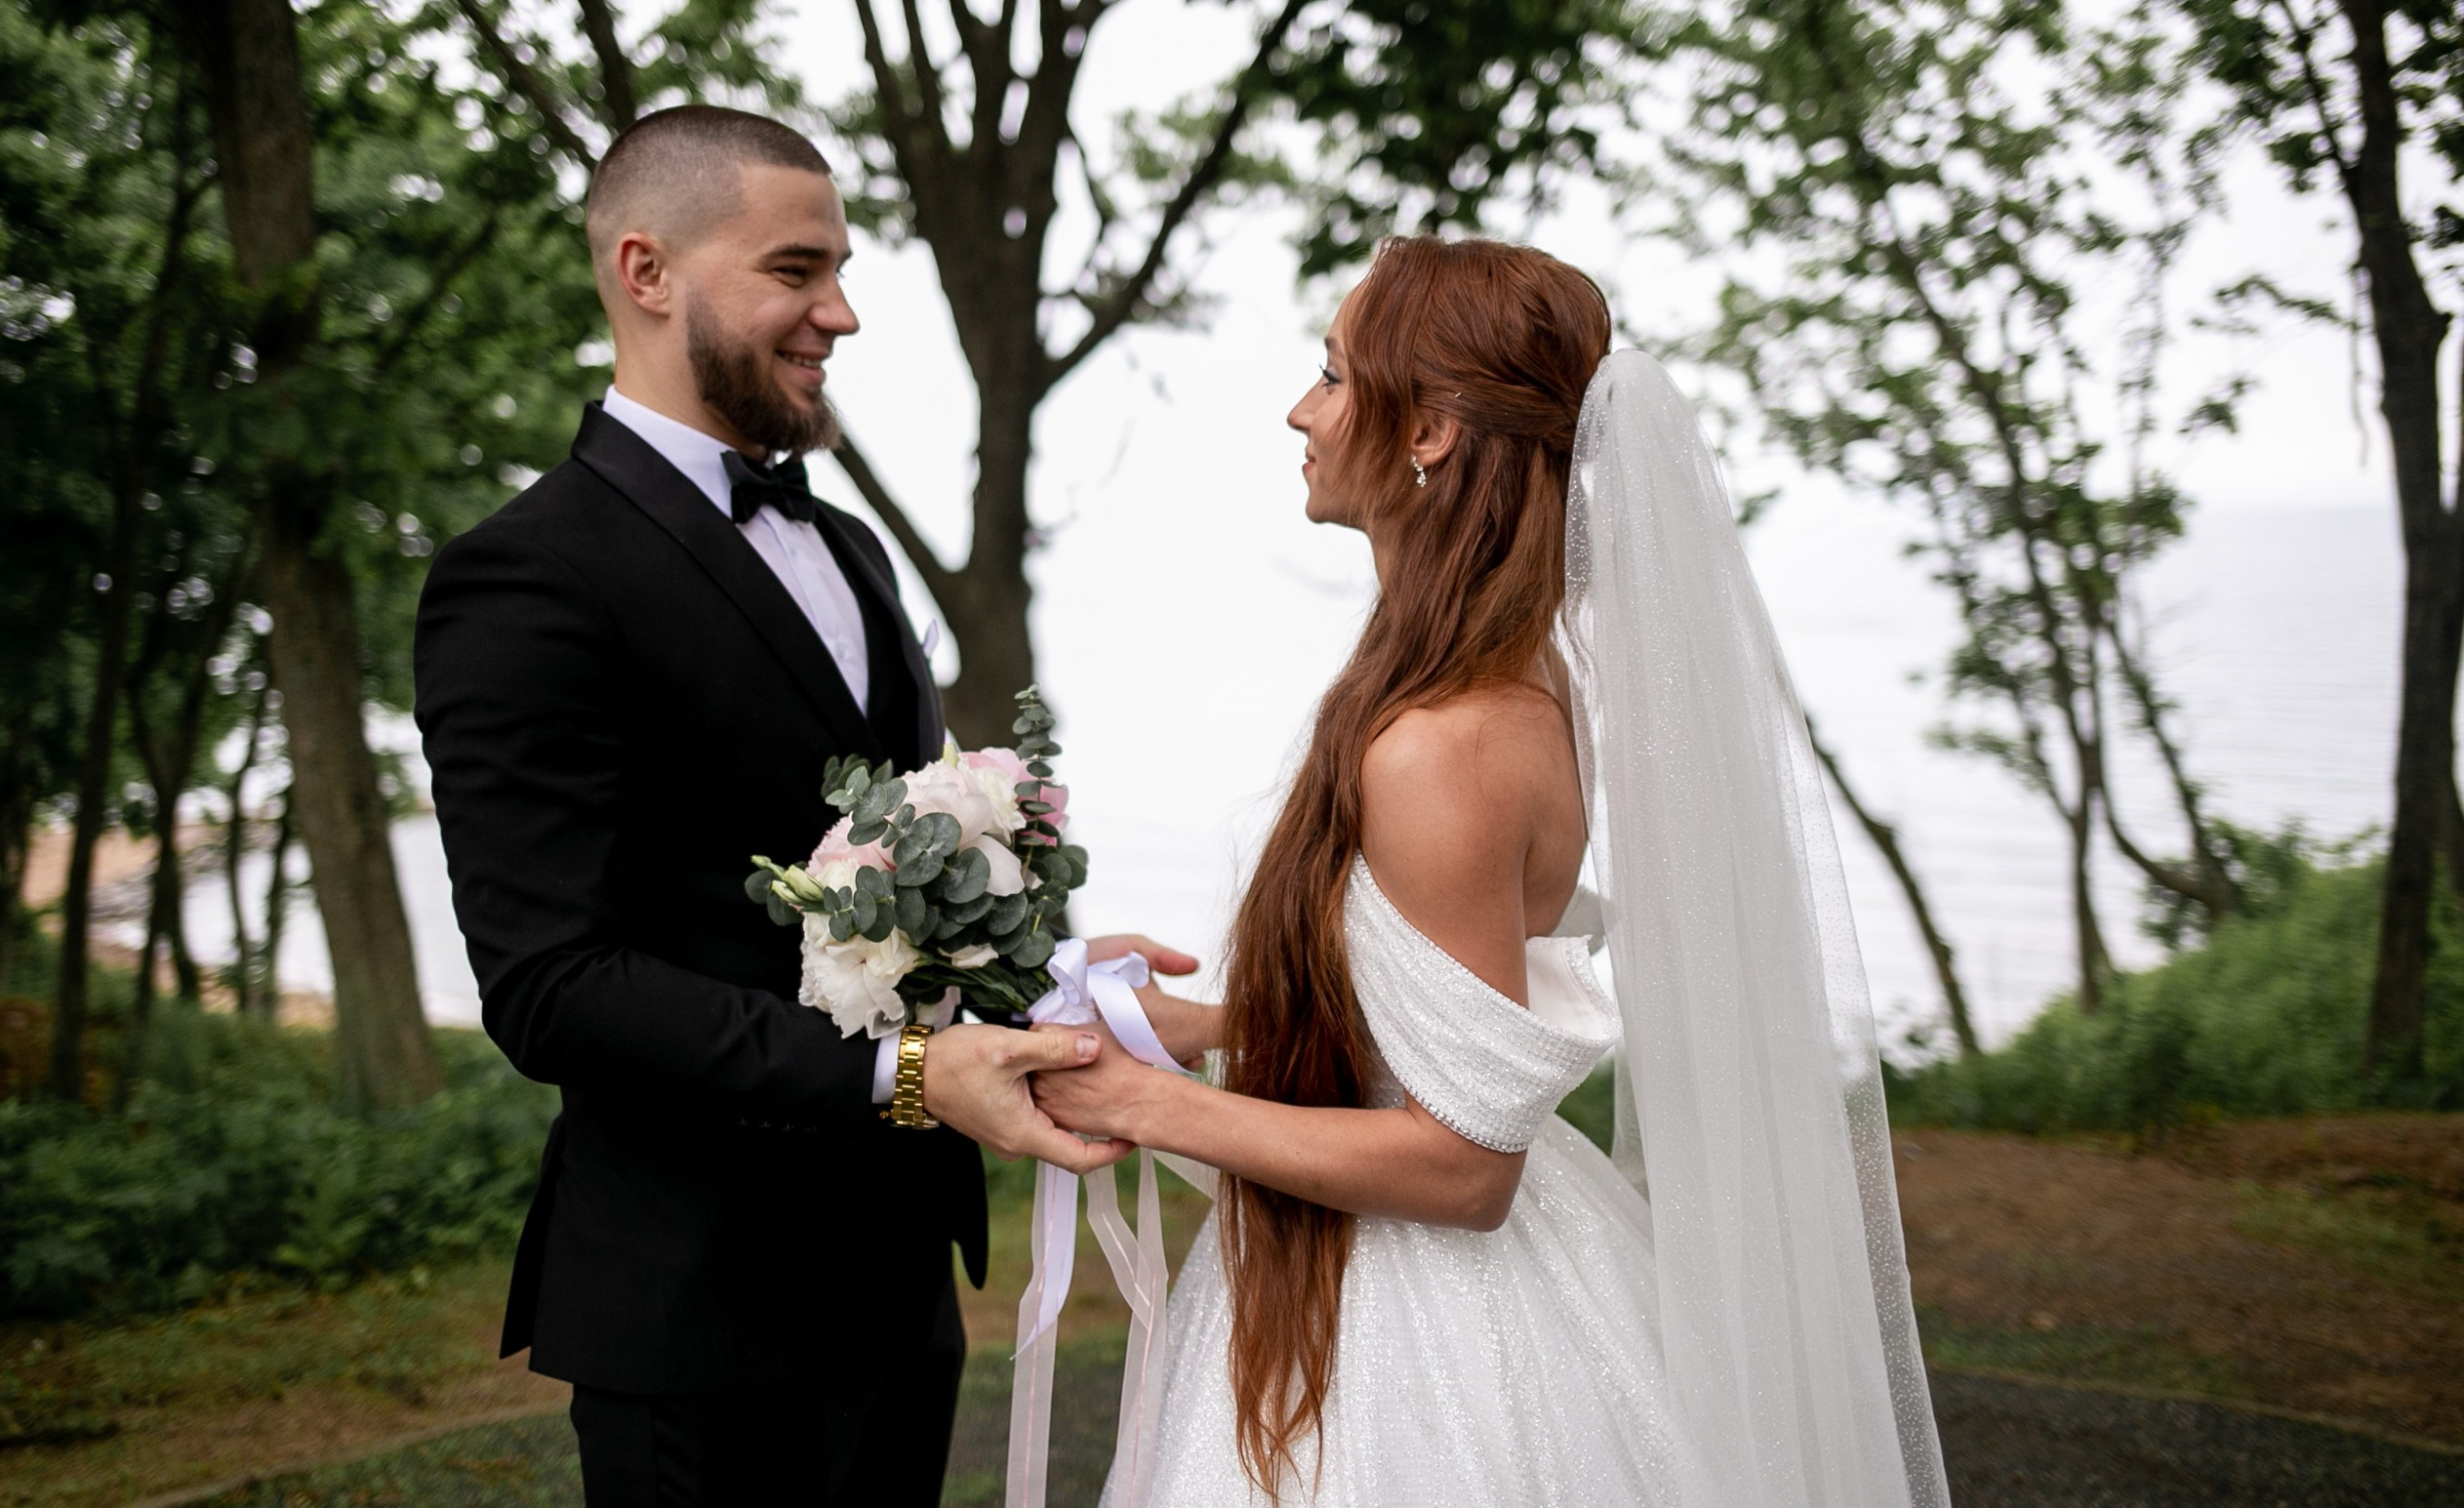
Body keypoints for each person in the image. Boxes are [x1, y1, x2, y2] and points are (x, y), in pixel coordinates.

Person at [1043, 237, 1953, 1506]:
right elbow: (1441, 1020)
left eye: (1333, 376)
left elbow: (1464, 1167)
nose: (1299, 411)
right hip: (1360, 1275)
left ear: (1427, 431)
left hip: (1430, 1345)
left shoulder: (1448, 744)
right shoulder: (1468, 690)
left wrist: (1150, 1107)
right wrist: (1196, 1024)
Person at [413, 104, 1191, 1508]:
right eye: (794, 269)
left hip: (897, 1286)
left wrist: (1038, 969)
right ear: (647, 272)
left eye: (838, 268)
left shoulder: (849, 548)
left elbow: (877, 896)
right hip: (699, 1308)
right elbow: (552, 987)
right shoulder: (525, 577)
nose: (839, 311)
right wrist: (900, 1079)